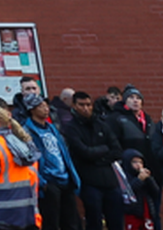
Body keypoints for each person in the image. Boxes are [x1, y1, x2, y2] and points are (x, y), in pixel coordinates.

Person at [61, 91, 125, 230]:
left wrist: (96, 157)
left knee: (117, 221)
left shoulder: (102, 124)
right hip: (89, 182)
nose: (86, 108)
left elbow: (117, 150)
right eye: (81, 105)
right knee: (94, 220)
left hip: (110, 181)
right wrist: (103, 150)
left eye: (88, 105)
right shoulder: (71, 128)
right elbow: (83, 152)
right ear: (74, 105)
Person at [21, 97, 80, 230]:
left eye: (46, 106)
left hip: (65, 179)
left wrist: (72, 176)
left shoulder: (52, 128)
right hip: (48, 182)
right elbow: (29, 159)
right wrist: (42, 182)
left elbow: (63, 152)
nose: (46, 109)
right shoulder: (27, 131)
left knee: (71, 222)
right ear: (32, 109)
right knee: (51, 222)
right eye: (41, 106)